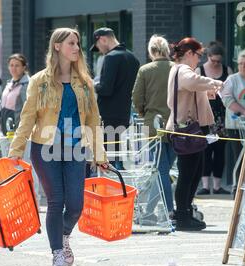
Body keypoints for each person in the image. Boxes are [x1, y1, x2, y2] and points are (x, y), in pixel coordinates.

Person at [9, 28, 109, 266]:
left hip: (75, 148)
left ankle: (63, 235)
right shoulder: (39, 81)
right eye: (71, 43)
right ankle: (57, 254)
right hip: (45, 149)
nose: (76, 48)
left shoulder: (85, 82)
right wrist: (16, 150)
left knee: (75, 204)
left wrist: (100, 154)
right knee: (56, 201)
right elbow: (28, 117)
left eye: (77, 44)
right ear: (57, 47)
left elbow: (94, 121)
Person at [166, 38, 223, 232]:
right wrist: (214, 82)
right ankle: (182, 215)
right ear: (189, 53)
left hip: (189, 129)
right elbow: (192, 82)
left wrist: (206, 91)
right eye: (198, 55)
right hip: (187, 129)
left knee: (194, 172)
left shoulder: (181, 70)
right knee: (188, 174)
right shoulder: (183, 70)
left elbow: (191, 88)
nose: (199, 60)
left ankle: (186, 212)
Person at [132, 35, 176, 225]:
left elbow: (136, 97)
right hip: (176, 125)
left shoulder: (145, 70)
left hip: (152, 125)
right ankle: (153, 210)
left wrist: (143, 113)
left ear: (151, 51)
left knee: (161, 171)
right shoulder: (177, 68)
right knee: (166, 171)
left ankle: (167, 211)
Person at [91, 28, 140, 170]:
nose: (100, 50)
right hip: (124, 115)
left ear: (103, 39)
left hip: (107, 115)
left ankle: (110, 190)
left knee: (107, 160)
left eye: (98, 46)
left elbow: (106, 89)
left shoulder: (111, 57)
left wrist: (92, 85)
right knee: (117, 157)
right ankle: (118, 188)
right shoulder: (133, 58)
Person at [196, 42, 233, 196]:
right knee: (205, 151)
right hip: (205, 115)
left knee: (220, 152)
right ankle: (205, 185)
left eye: (219, 61)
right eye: (213, 61)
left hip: (222, 117)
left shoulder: (227, 70)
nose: (216, 64)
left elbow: (230, 90)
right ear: (208, 57)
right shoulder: (200, 70)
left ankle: (217, 185)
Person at [221, 49, 245, 187]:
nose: (243, 66)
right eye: (240, 63)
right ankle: (238, 186)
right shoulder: (232, 79)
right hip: (236, 125)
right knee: (239, 158)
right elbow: (227, 99)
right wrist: (243, 111)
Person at [0, 54, 30, 135]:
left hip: (18, 131)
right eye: (11, 65)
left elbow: (28, 109)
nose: (13, 68)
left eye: (17, 65)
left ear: (24, 67)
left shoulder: (27, 85)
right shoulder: (9, 83)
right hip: (5, 130)